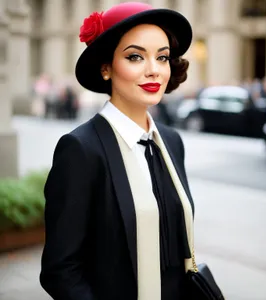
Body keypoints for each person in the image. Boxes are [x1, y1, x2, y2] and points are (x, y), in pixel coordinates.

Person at [40, 2, 196, 300]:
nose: (154, 70)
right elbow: (61, 271)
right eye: (135, 56)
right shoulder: (80, 150)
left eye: (162, 57)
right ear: (106, 67)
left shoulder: (172, 141)